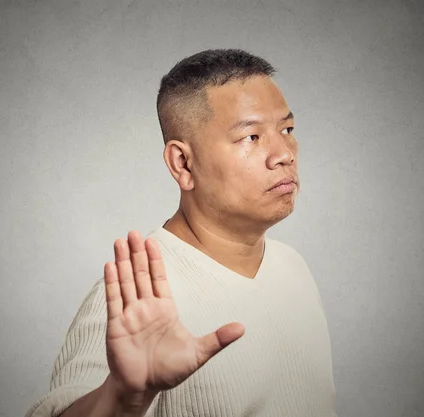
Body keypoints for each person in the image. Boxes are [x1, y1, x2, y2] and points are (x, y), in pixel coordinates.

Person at [25, 49, 338, 417]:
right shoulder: (136, 297)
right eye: (251, 137)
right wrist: (121, 396)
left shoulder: (293, 266)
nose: (284, 154)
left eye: (287, 130)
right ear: (183, 163)